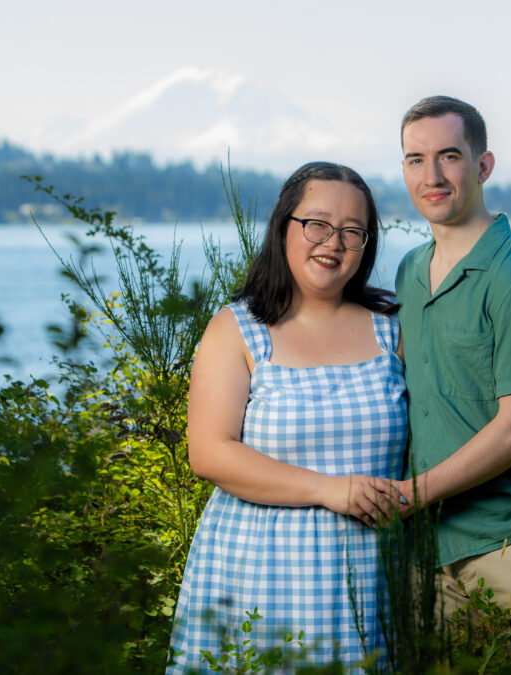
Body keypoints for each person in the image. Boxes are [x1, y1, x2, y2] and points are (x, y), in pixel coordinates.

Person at [167, 161, 408, 673]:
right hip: (258, 569)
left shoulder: (393, 326)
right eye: (317, 224)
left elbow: (451, 407)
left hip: (370, 573)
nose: (333, 242)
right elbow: (210, 452)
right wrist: (329, 489)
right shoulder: (237, 328)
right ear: (284, 227)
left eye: (352, 231)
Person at [387, 96, 511, 672]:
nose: (431, 176)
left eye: (449, 156)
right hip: (431, 552)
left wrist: (409, 495)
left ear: (483, 165)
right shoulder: (409, 271)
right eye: (415, 159)